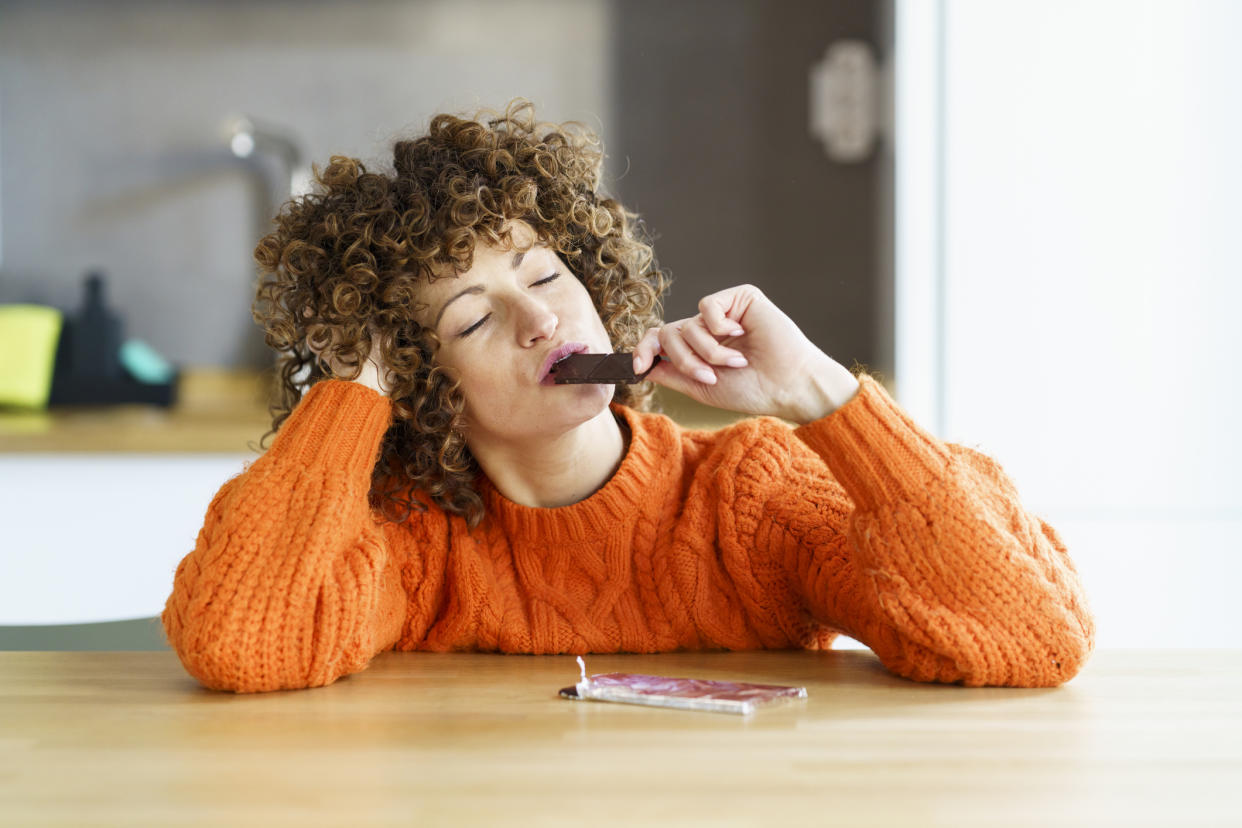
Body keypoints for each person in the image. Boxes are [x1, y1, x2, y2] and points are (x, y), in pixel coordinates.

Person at [161, 99, 1095, 694]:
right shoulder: (415, 538)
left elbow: (1029, 637)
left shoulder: (749, 496)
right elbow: (243, 640)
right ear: (419, 383)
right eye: (472, 323)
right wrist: (356, 390)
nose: (538, 322)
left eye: (546, 275)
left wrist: (821, 396)